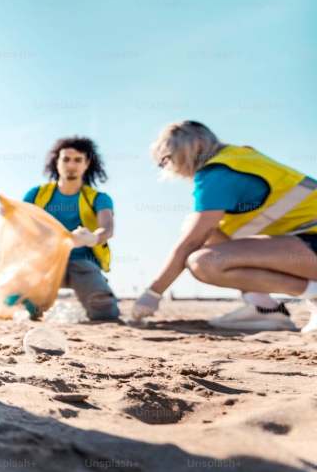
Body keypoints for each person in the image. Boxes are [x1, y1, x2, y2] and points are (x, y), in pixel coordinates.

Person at [132, 121, 317, 332]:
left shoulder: (217, 174)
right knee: (210, 231)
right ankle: (263, 307)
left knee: (203, 262)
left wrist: (153, 293)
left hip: (311, 243)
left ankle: (314, 294)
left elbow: (191, 242)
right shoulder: (239, 157)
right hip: (304, 240)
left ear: (196, 145)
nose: (168, 166)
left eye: (167, 158)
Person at [22, 136, 120, 321]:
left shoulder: (98, 198)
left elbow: (107, 228)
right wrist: (12, 214)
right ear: (56, 162)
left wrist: (92, 238)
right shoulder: (36, 195)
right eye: (65, 159)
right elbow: (22, 224)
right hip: (44, 263)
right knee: (26, 308)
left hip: (82, 262)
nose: (71, 165)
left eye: (77, 160)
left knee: (105, 313)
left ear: (87, 163)